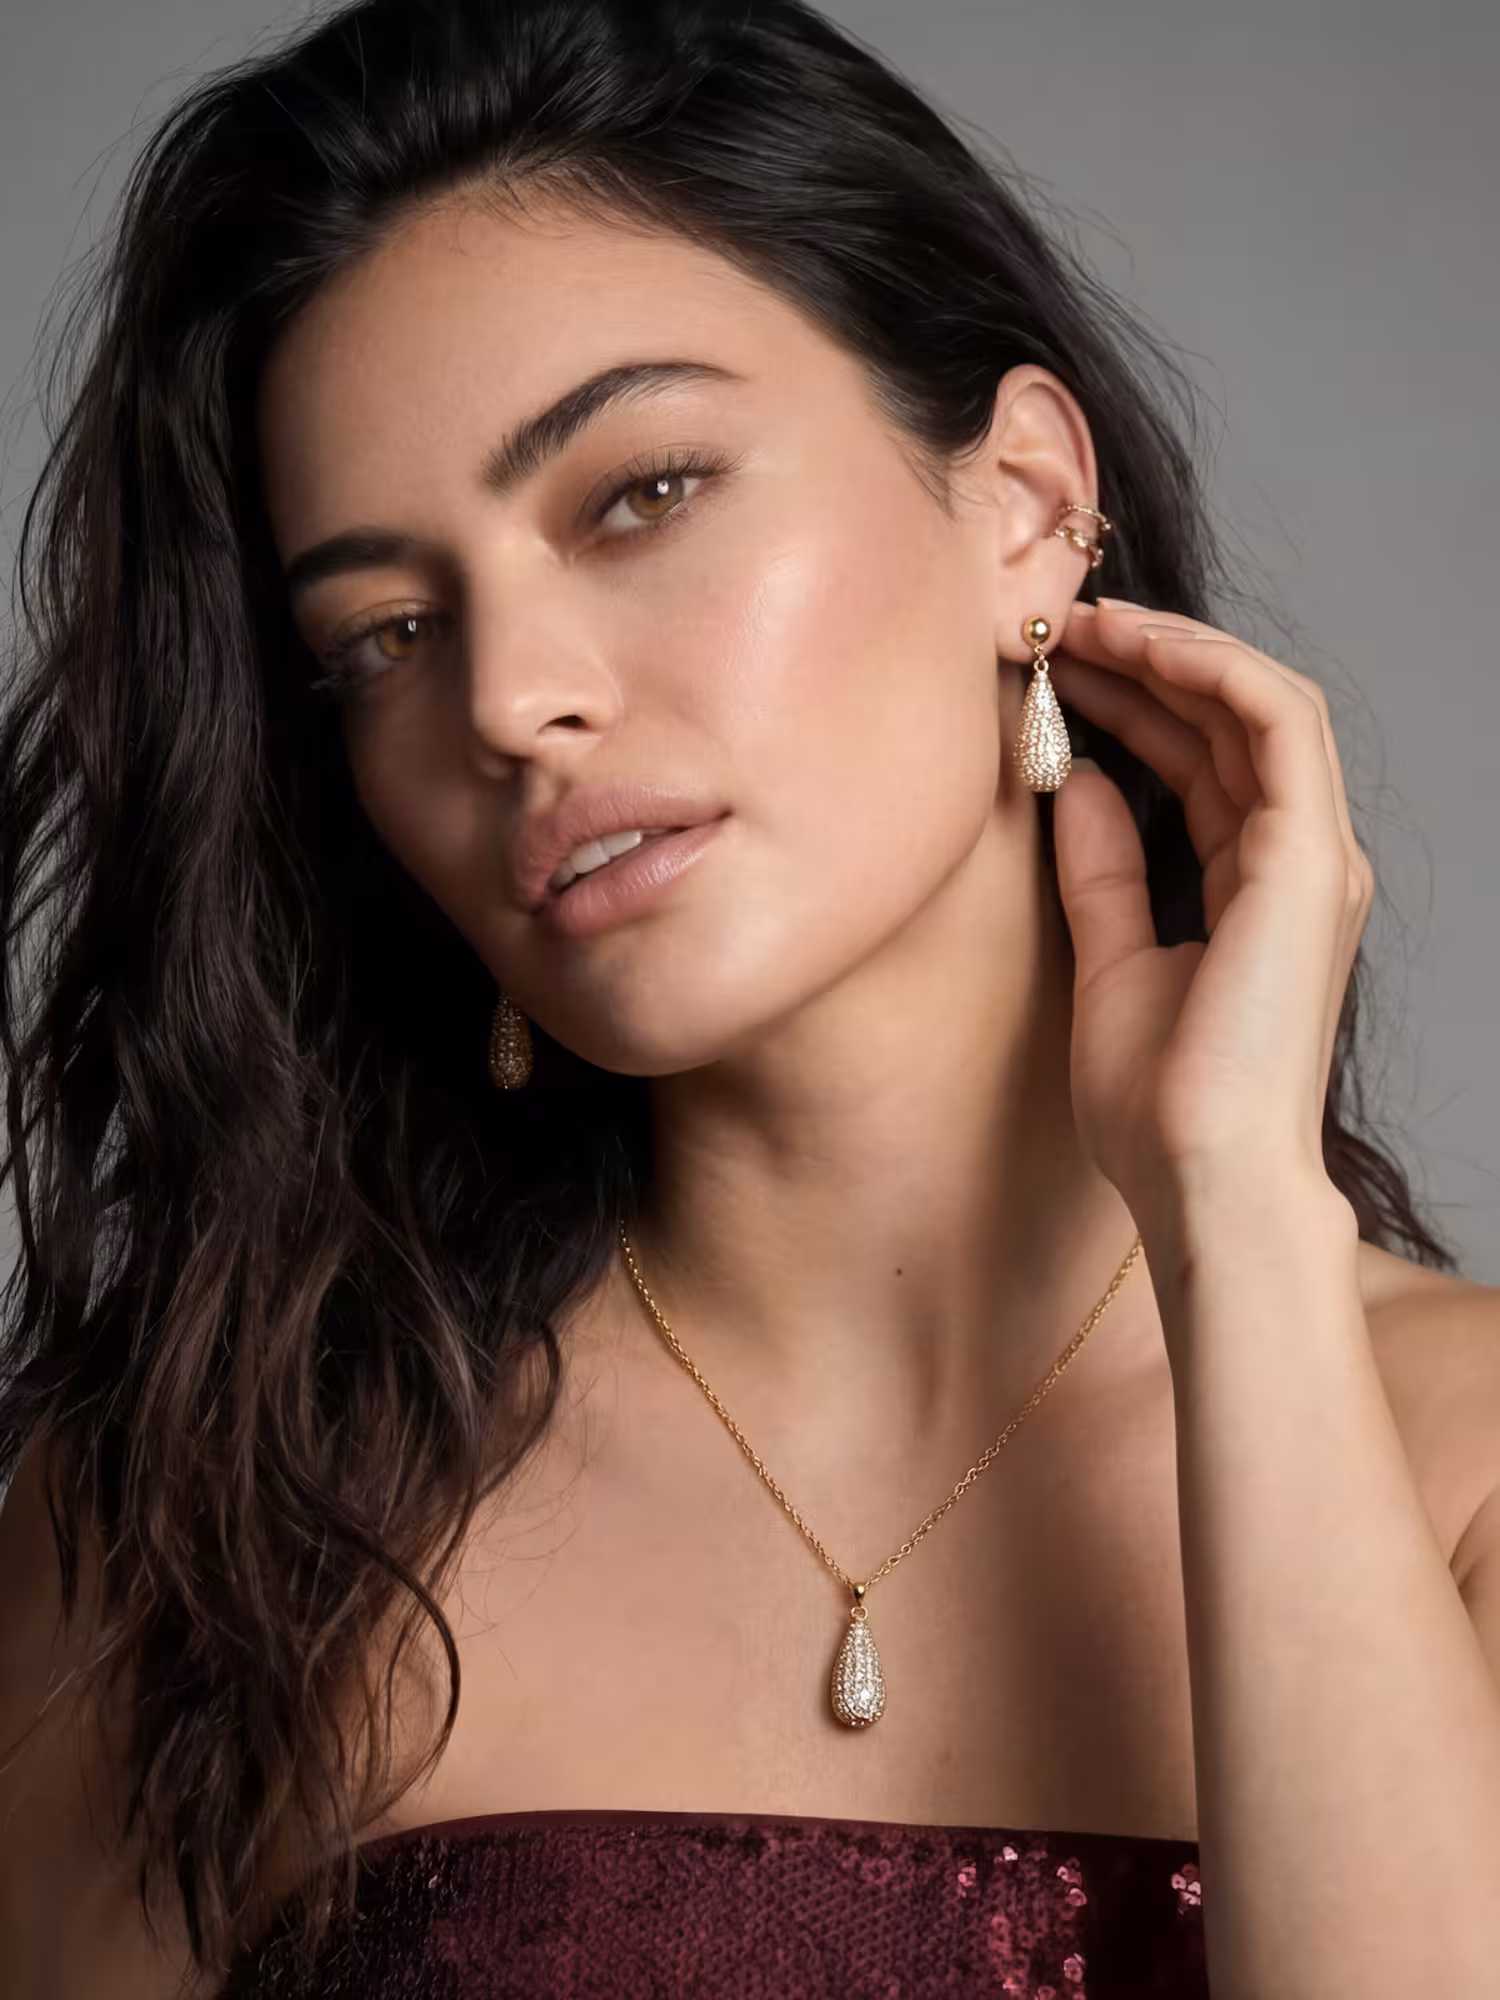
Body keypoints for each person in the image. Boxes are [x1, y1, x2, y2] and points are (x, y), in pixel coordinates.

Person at [3, 0, 1499, 1994]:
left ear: (1029, 508)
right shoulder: (206, 1533)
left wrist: (1235, 1202)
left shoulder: (1467, 1462)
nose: (511, 699)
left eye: (640, 497)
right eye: (386, 632)